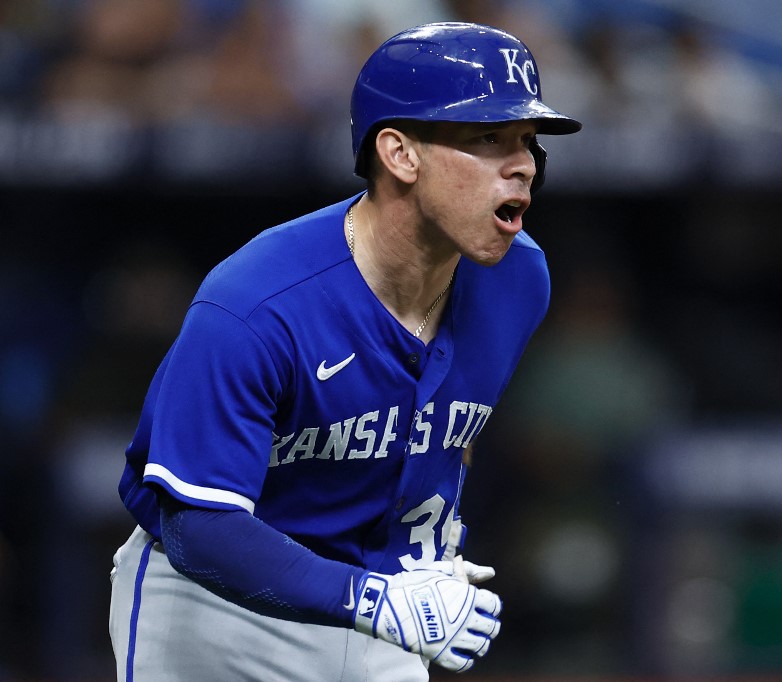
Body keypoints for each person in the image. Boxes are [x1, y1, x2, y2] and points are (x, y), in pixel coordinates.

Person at [108, 21, 581, 681]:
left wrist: (435, 544)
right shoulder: (256, 305)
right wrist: (371, 599)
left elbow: (448, 429)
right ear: (400, 154)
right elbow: (199, 527)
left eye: (527, 143)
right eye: (488, 138)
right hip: (217, 605)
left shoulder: (519, 280)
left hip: (379, 590)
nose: (524, 164)